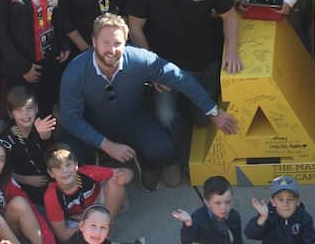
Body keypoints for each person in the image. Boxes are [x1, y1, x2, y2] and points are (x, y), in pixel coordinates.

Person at [59, 12, 238, 187]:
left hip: (132, 119)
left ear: (126, 42)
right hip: (93, 124)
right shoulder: (76, 71)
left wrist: (213, 111)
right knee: (69, 153)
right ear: (94, 41)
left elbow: (181, 78)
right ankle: (88, 186)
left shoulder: (138, 58)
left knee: (161, 149)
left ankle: (149, 165)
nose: (112, 50)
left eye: (118, 43)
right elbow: (70, 118)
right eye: (106, 43)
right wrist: (107, 145)